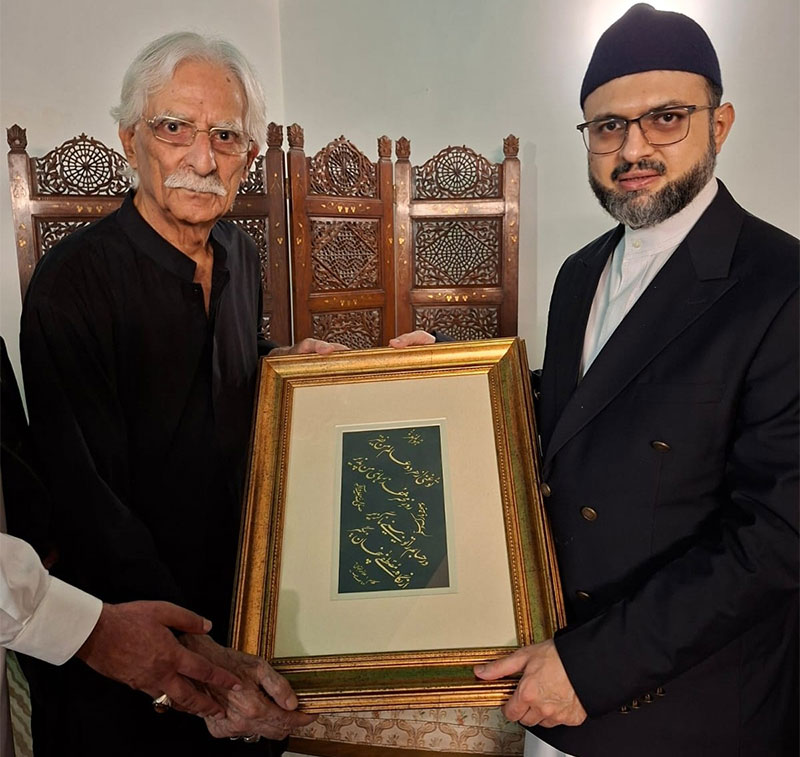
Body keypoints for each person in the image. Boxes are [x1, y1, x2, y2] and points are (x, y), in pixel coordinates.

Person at [394, 4, 798, 756]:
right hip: (554, 676)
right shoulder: (582, 271)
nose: (633, 147)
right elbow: (588, 404)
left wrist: (591, 667)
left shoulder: (782, 284)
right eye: (608, 126)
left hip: (686, 710)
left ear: (721, 122)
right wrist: (445, 380)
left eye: (666, 118)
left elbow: (776, 538)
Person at [14, 32, 341, 755]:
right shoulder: (74, 284)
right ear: (130, 141)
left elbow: (222, 375)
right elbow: (88, 497)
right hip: (127, 631)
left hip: (240, 590)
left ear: (250, 157)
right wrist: (202, 656)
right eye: (175, 128)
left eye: (226, 135)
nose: (202, 157)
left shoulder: (239, 254)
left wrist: (298, 371)